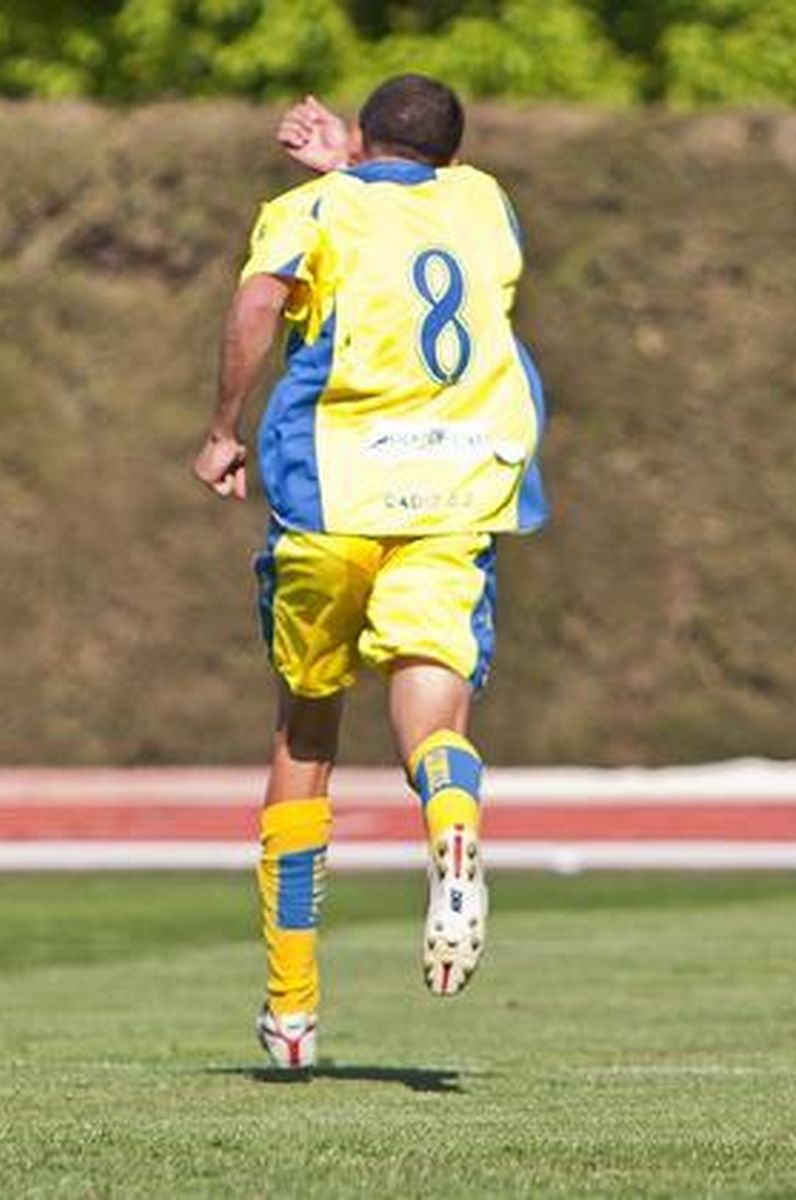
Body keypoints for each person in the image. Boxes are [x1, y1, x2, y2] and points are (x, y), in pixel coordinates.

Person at [191, 75, 548, 1070]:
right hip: (454, 494)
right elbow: (408, 190)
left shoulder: (308, 209)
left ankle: (293, 1013)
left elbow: (261, 298)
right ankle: (451, 822)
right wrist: (357, 155)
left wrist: (221, 429)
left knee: (305, 730)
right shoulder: (485, 203)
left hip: (332, 491)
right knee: (432, 718)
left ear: (363, 135)